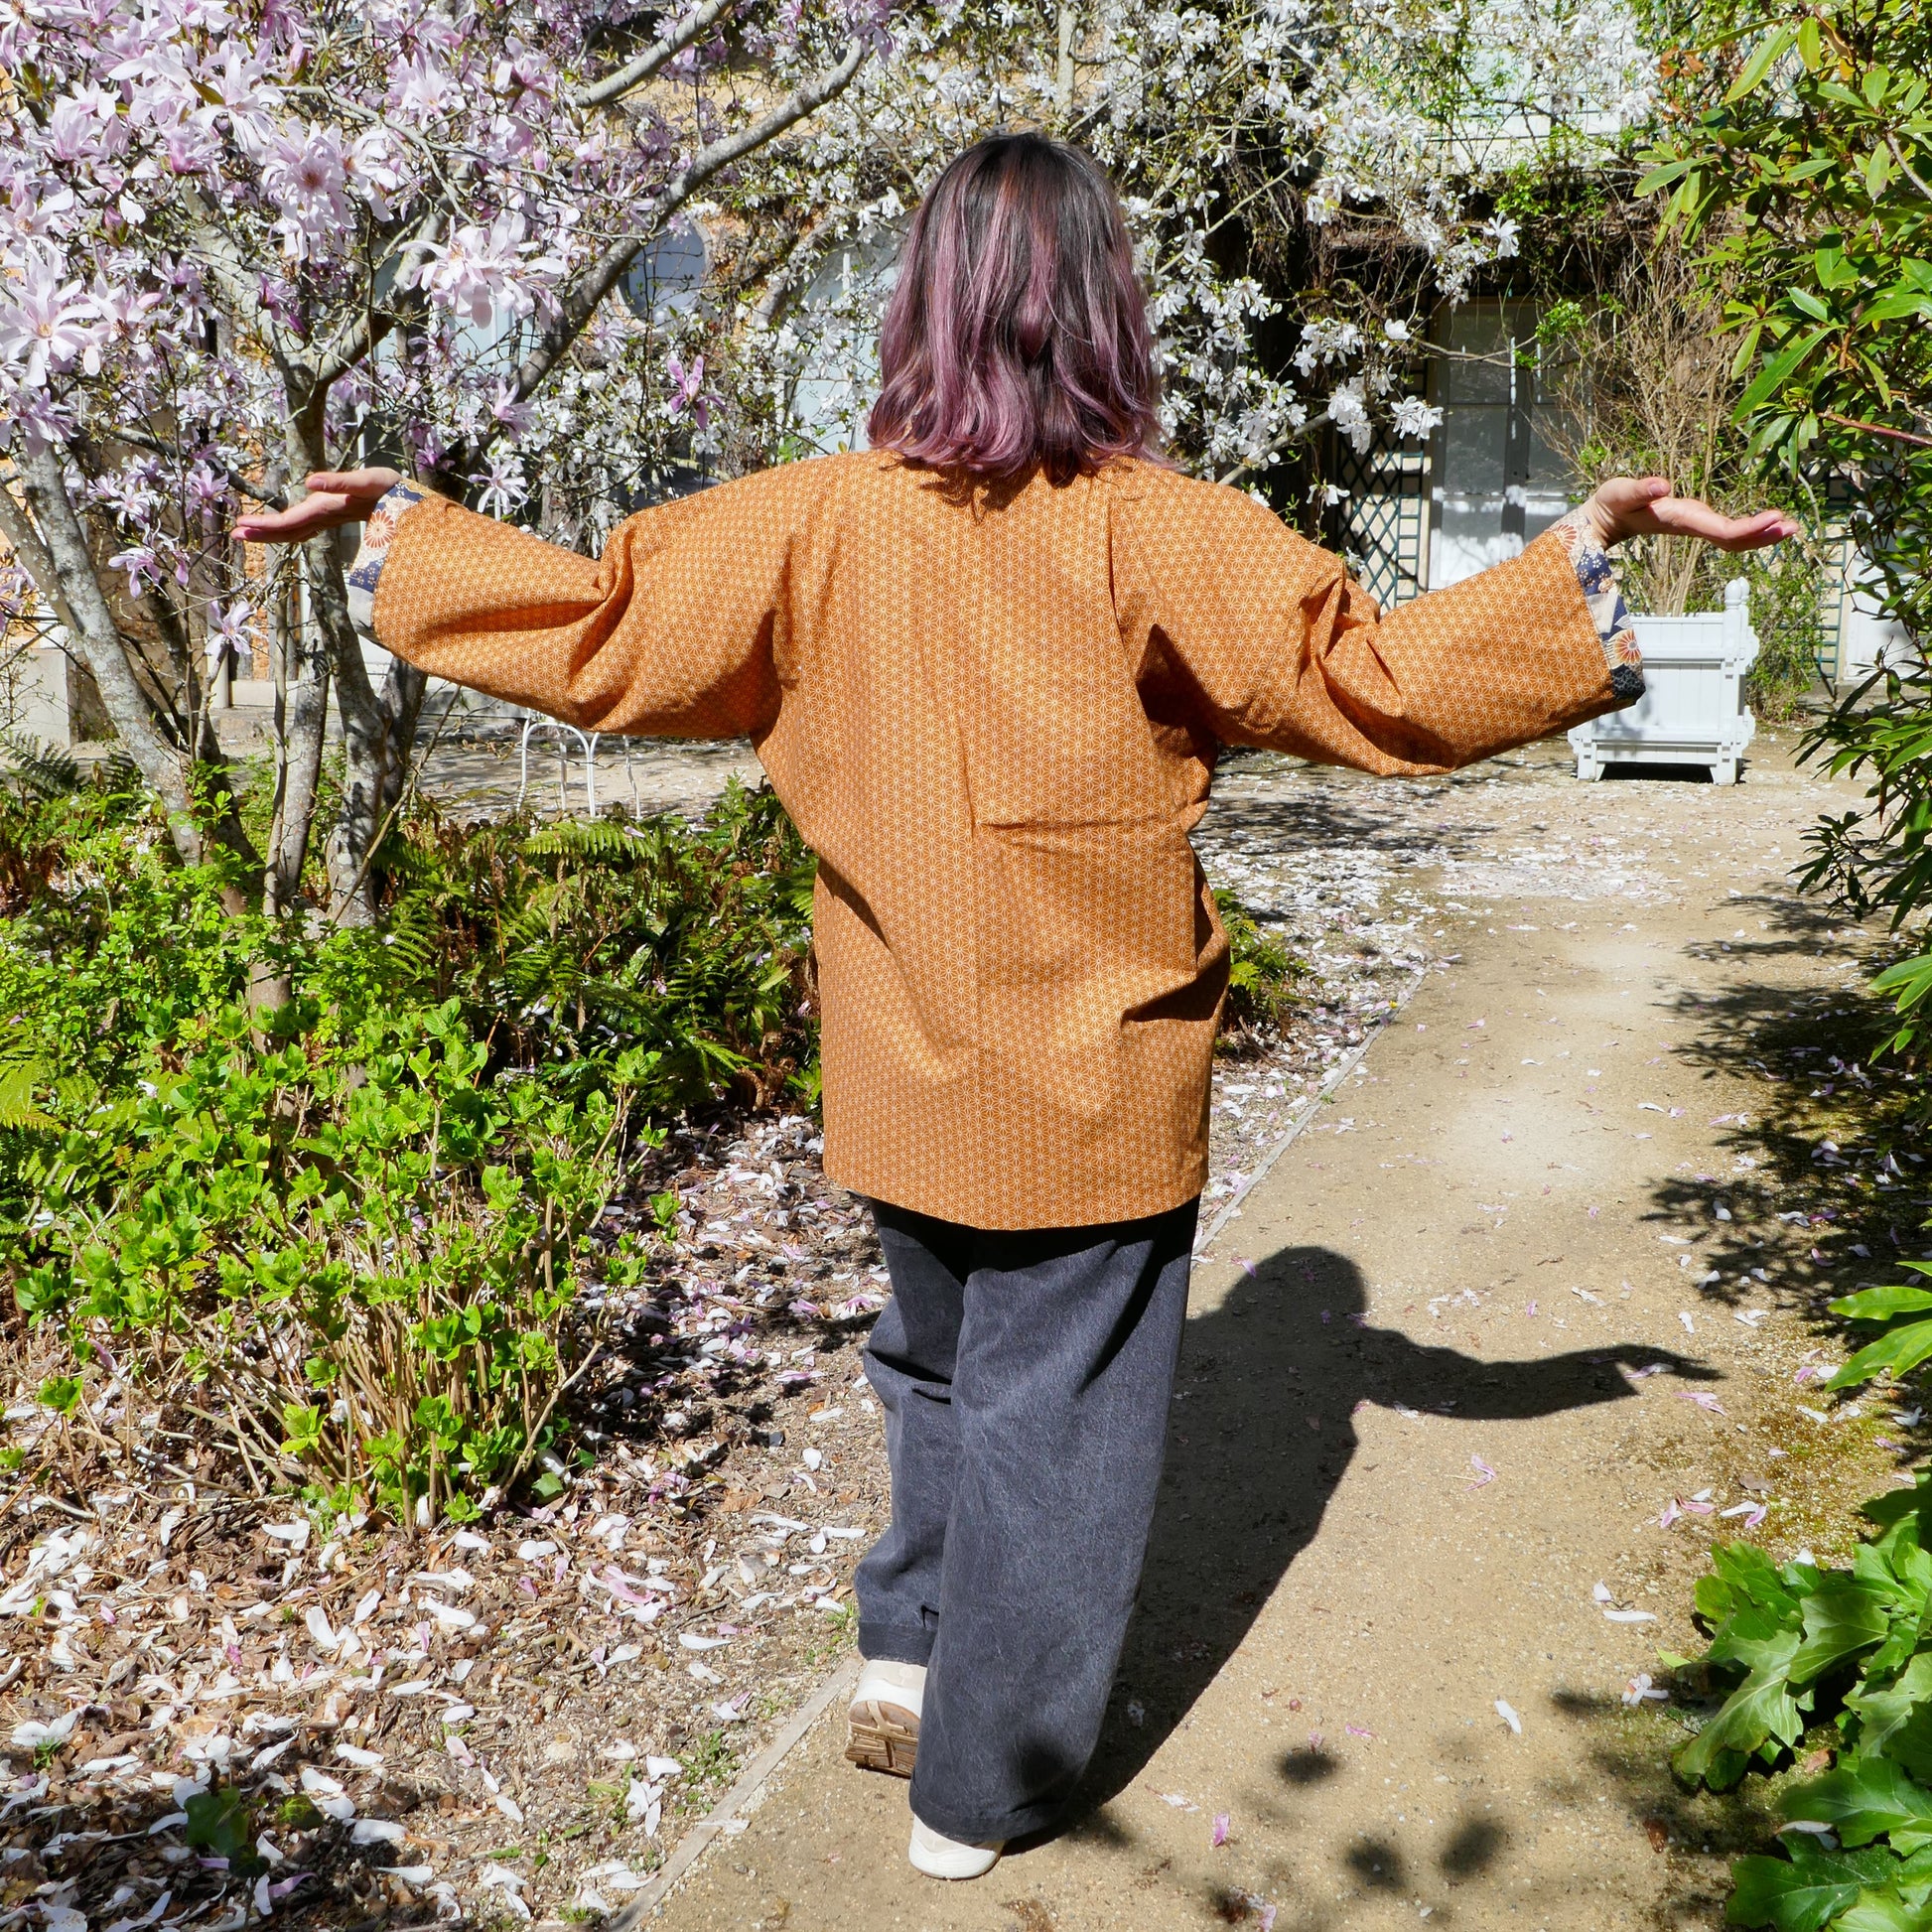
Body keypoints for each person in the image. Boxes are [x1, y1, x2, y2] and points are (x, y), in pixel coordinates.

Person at [235, 131, 1795, 1881]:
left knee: (936, 1365)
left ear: (927, 310)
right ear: (1102, 315)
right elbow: (1374, 678)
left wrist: (403, 542)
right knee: (1057, 1427)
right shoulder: (1160, 533)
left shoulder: (803, 524)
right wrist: (1575, 562)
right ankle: (980, 1781)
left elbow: (602, 625)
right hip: (1089, 1082)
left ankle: (906, 1647)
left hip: (903, 1057)